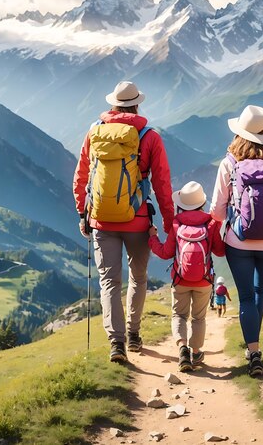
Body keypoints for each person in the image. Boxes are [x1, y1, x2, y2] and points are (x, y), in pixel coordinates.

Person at [73, 80, 174, 363]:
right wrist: (169, 222)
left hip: (102, 219)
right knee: (138, 278)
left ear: (112, 105)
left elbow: (82, 175)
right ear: (137, 104)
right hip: (138, 220)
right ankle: (133, 334)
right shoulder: (149, 136)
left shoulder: (95, 131)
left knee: (109, 282)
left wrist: (83, 212)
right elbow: (162, 183)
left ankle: (116, 343)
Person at [210, 105, 263, 377]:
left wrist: (224, 225)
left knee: (246, 296)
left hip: (239, 241)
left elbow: (216, 208)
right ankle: (254, 346)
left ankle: (254, 351)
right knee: (260, 293)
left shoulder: (230, 164)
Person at [149, 181, 224, 372]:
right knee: (199, 318)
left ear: (182, 204)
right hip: (204, 280)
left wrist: (153, 238)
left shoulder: (176, 223)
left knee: (179, 315)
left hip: (180, 279)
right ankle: (196, 352)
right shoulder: (212, 223)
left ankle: (182, 349)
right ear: (202, 203)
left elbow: (166, 253)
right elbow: (220, 251)